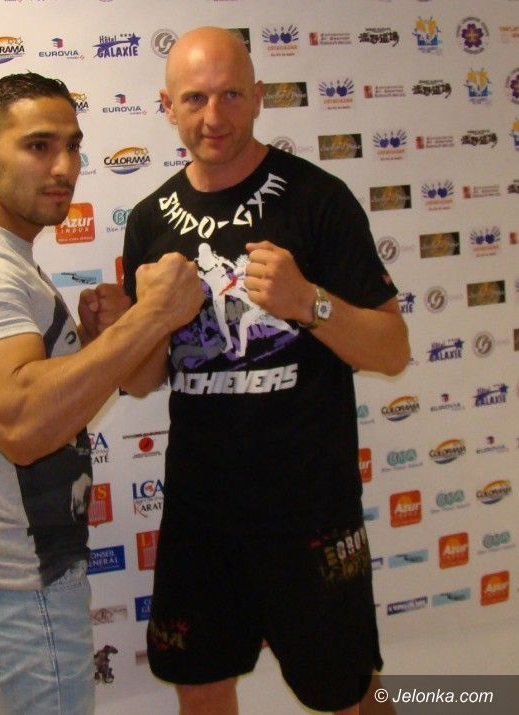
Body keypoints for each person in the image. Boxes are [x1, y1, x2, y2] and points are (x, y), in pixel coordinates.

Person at [121, 27, 410, 715]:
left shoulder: (318, 199)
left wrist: (308, 302)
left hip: (310, 512)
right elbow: (139, 380)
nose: (213, 116)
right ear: (166, 106)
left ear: (257, 98)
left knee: (347, 693)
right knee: (202, 689)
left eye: (230, 95)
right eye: (194, 98)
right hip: (200, 515)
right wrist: (134, 325)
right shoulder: (148, 221)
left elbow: (392, 349)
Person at [0, 72, 203, 715]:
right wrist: (154, 315)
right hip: (17, 584)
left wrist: (101, 343)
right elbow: (22, 424)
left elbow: (42, 401)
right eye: (38, 146)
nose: (64, 166)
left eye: (72, 146)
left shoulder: (0, 253)